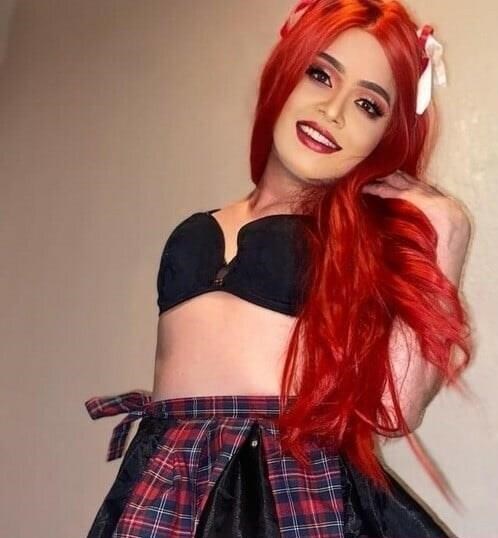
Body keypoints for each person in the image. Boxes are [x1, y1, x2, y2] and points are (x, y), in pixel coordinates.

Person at [84, 1, 473, 537]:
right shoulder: (197, 228)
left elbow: (394, 409)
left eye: (367, 105)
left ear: (385, 138)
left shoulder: (354, 244)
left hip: (290, 494)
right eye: (320, 75)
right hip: (165, 481)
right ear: (285, 71)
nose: (333, 111)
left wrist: (447, 233)